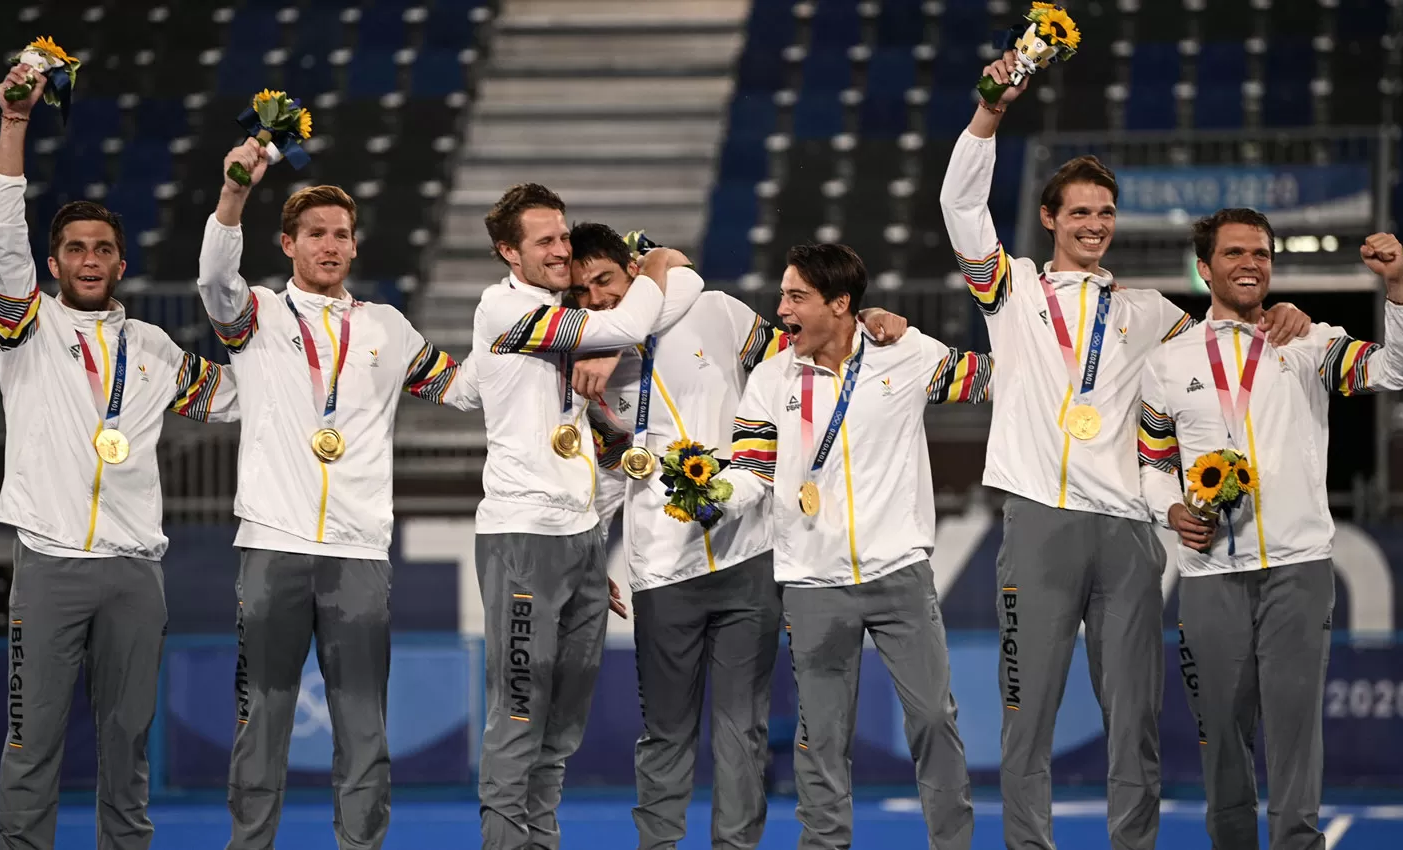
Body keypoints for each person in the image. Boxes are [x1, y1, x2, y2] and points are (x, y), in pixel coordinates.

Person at [939, 51, 1313, 850]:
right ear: (1050, 218)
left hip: (1130, 534)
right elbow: (960, 201)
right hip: (1038, 523)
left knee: (1133, 722)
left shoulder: (1148, 313)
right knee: (1026, 714)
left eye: (1105, 212)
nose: (1095, 224)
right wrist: (991, 112)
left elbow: (1228, 335)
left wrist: (1286, 313)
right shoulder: (1011, 293)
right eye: (1079, 212)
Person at [566, 225, 907, 850]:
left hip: (748, 553)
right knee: (665, 731)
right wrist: (590, 547)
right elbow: (612, 466)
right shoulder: (585, 367)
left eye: (606, 281)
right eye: (582, 291)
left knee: (742, 729)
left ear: (634, 273)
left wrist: (873, 320)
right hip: (662, 568)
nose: (596, 299)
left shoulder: (715, 311)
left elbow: (803, 348)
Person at [197, 139, 480, 850]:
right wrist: (234, 193)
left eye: (341, 234)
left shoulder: (387, 327)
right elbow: (212, 281)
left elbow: (460, 388)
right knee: (262, 715)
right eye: (315, 233)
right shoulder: (256, 316)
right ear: (288, 243)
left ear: (355, 247)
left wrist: (528, 331)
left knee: (364, 722)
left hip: (357, 550)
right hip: (272, 544)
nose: (330, 244)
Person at [0, 64, 239, 850]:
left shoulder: (157, 350)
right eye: (74, 250)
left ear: (121, 264)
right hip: (50, 562)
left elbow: (240, 397)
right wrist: (17, 125)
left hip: (136, 569)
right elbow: (1, 241)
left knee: (128, 748)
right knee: (33, 747)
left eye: (102, 249)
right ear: (54, 265)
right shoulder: (25, 334)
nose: (89, 260)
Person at [1139, 211, 1403, 850]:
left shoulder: (1307, 344)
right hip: (1211, 573)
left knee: (1295, 730)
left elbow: (1398, 370)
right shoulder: (1166, 364)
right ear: (1204, 267)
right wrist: (1169, 510)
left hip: (1298, 568)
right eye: (1234, 252)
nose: (1250, 263)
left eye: (1261, 253)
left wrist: (1398, 288)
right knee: (1220, 734)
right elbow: (1153, 462)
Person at [711, 243, 989, 850]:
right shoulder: (770, 378)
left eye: (795, 297)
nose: (780, 309)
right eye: (783, 294)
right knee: (821, 738)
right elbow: (750, 470)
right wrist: (710, 492)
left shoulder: (906, 354)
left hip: (900, 575)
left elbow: (990, 379)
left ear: (841, 304)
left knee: (935, 721)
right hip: (813, 583)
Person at [470, 185, 706, 850]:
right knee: (518, 715)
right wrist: (651, 268)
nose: (560, 249)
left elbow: (685, 281)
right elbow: (637, 317)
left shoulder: (562, 309)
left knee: (560, 728)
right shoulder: (504, 309)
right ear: (507, 252)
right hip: (521, 539)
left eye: (563, 236)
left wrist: (656, 267)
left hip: (577, 543)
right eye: (544, 241)